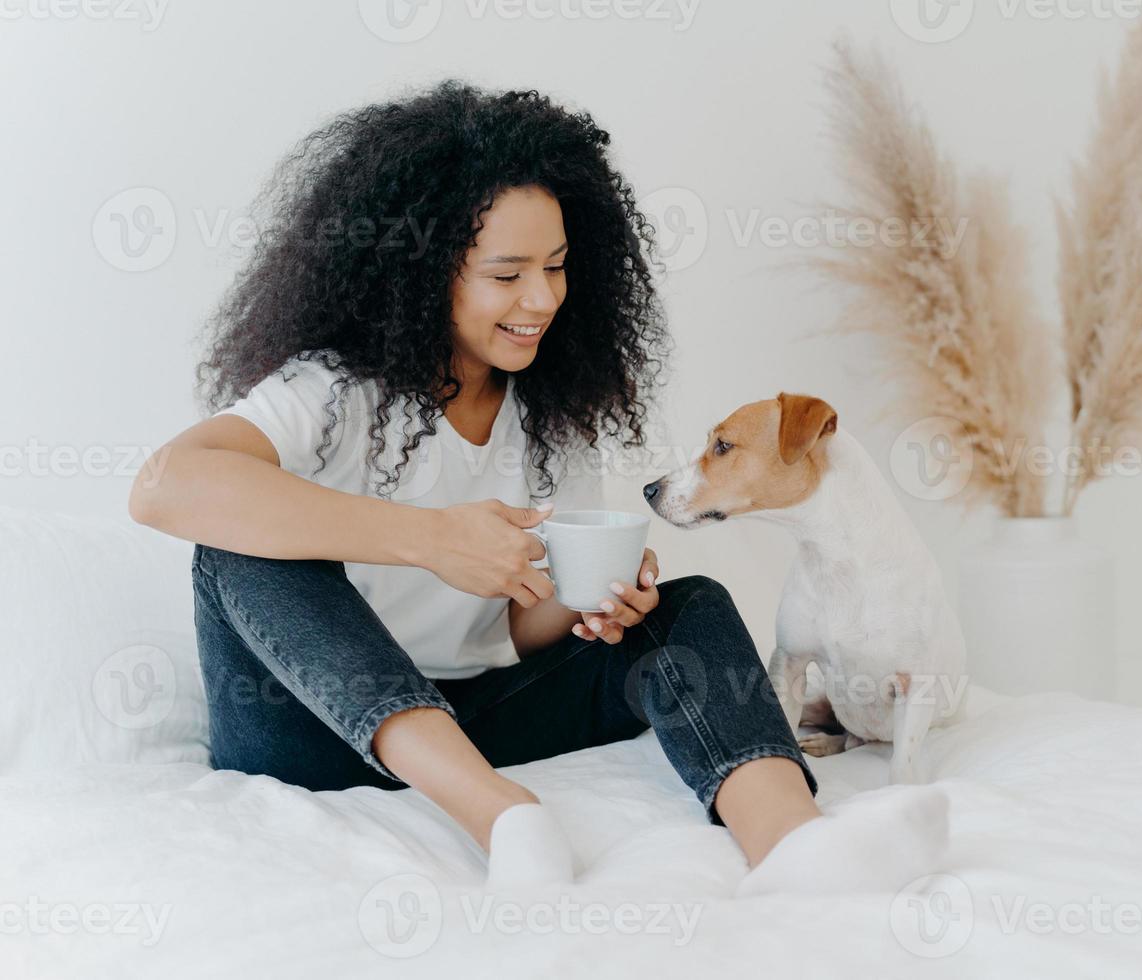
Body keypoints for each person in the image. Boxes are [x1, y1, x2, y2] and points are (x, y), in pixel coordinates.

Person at [129, 80, 947, 895]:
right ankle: (504, 818)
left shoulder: (554, 414)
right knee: (240, 549)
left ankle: (793, 845)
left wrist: (593, 601)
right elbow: (166, 486)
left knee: (686, 608)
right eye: (507, 273)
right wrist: (431, 539)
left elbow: (524, 629)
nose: (543, 298)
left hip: (480, 714)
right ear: (421, 272)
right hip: (306, 735)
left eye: (556, 267)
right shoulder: (330, 390)